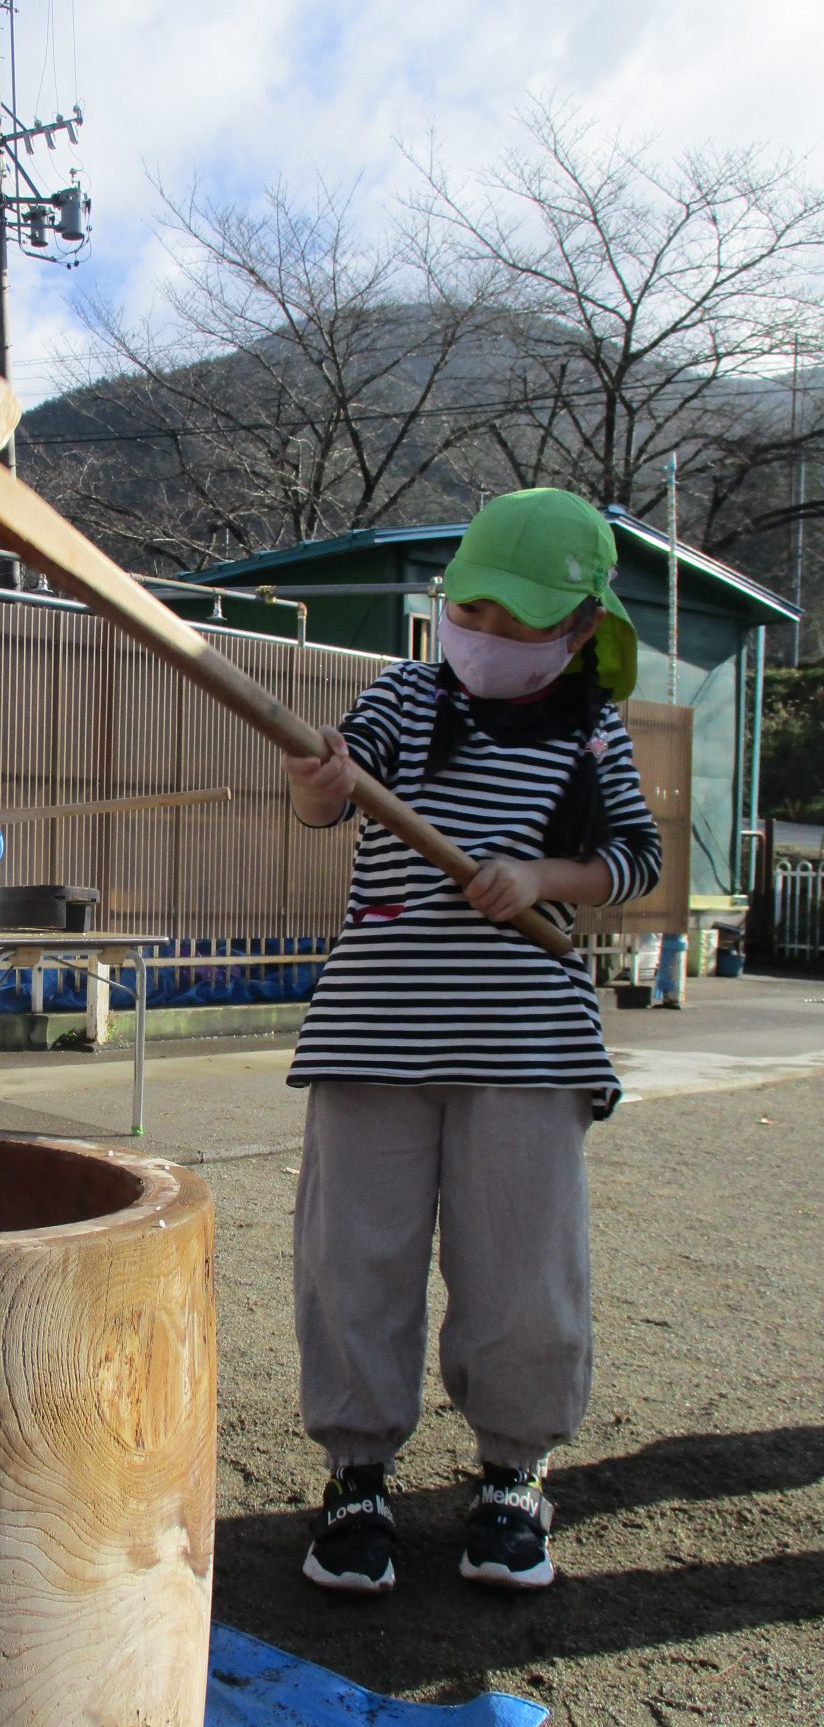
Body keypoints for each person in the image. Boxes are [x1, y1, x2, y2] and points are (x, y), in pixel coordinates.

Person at [282, 487, 661, 1593]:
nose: (484, 634)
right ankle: (357, 1477)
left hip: (528, 1044)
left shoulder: (593, 726)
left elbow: (633, 859)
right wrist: (316, 780)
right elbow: (330, 798)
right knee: (355, 1262)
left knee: (522, 1272)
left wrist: (542, 877)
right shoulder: (402, 694)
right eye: (471, 610)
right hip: (372, 1031)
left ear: (579, 628)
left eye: (516, 619)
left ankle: (513, 1475)